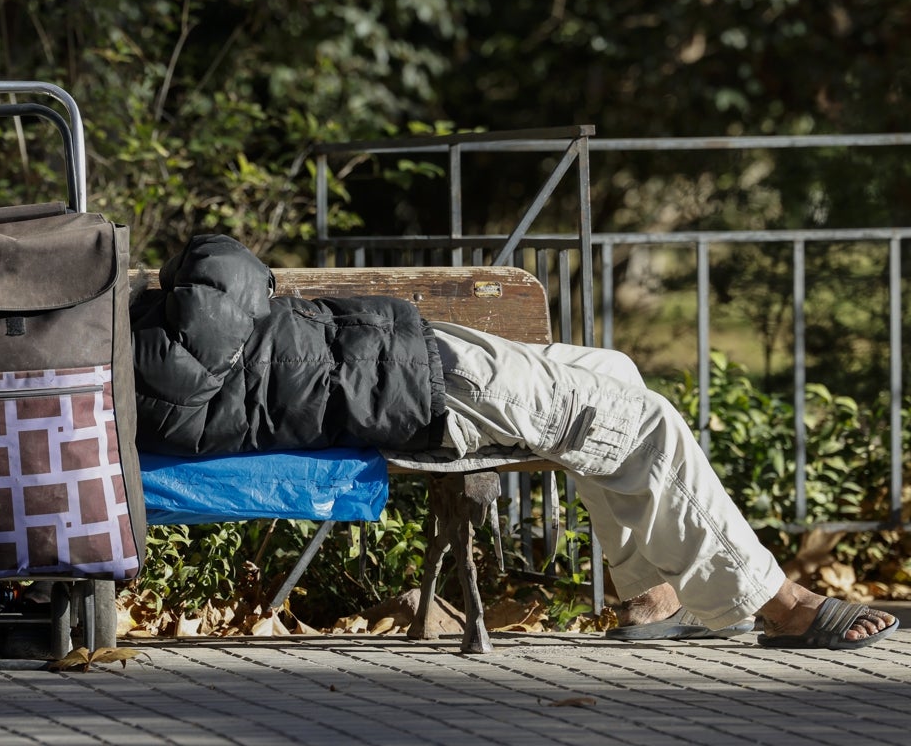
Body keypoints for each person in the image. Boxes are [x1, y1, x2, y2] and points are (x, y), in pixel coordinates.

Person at [130, 233, 898, 650]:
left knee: (613, 371)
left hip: (413, 364)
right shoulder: (165, 359)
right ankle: (776, 601)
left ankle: (647, 596)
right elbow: (227, 265)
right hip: (430, 388)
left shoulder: (152, 357)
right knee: (644, 420)